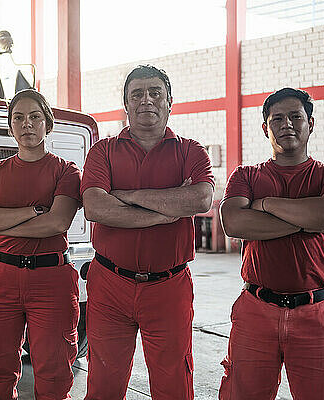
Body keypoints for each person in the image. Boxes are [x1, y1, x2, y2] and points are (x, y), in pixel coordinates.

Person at [81, 65, 215, 400]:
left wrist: (126, 196)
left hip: (169, 287)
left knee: (174, 385)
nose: (146, 100)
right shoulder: (102, 151)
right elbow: (96, 208)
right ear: (125, 104)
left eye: (155, 92)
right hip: (109, 284)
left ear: (171, 101)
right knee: (103, 385)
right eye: (136, 94)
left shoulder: (191, 152)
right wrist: (166, 212)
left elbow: (200, 198)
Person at [218, 87, 324, 400]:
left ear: (310, 124)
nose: (287, 124)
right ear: (266, 128)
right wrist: (308, 220)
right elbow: (234, 223)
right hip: (255, 311)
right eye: (277, 118)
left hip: (315, 314)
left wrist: (263, 204)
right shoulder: (246, 175)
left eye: (296, 116)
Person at [0, 89, 81, 400]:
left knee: (54, 372)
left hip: (51, 280)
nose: (27, 124)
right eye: (18, 118)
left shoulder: (66, 170)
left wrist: (5, 220)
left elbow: (57, 223)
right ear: (10, 127)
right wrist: (33, 210)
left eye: (35, 117)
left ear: (48, 123)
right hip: (0, 278)